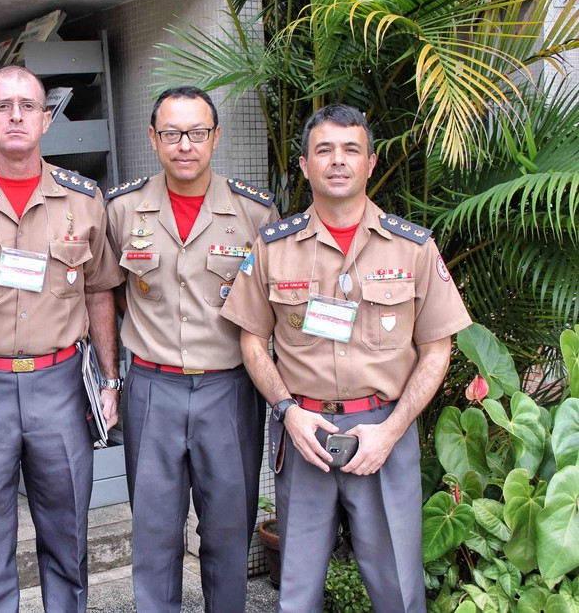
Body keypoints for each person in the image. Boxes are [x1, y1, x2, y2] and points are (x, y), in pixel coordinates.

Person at [221, 104, 472, 612]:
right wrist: (288, 413)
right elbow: (252, 341)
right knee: (296, 590)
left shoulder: (413, 247)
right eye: (324, 150)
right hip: (304, 433)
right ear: (305, 165)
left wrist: (392, 430)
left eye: (351, 149)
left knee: (398, 589)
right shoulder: (273, 247)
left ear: (371, 163)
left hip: (385, 432)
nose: (338, 160)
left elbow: (437, 349)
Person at [0, 64, 125, 613]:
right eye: (3, 106)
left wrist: (109, 381)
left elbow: (100, 292)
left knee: (68, 535)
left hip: (60, 388)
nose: (16, 116)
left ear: (45, 119)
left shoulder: (84, 200)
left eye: (28, 106)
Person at [104, 86, 277, 612]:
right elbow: (109, 294)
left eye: (197, 132)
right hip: (152, 390)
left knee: (228, 530)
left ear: (216, 137)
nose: (185, 145)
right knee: (154, 532)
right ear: (154, 138)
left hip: (228, 391)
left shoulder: (254, 214)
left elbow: (271, 311)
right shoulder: (123, 209)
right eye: (173, 133)